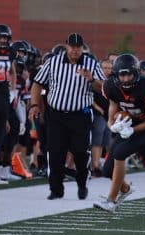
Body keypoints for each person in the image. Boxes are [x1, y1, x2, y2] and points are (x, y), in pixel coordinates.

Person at [29, 33, 105, 200]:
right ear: (66, 47)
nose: (75, 50)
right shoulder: (53, 62)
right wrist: (34, 105)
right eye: (72, 47)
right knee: (55, 152)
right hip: (56, 115)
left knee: (81, 152)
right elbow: (37, 83)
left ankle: (82, 183)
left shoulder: (91, 64)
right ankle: (56, 189)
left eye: (78, 47)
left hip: (80, 115)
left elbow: (103, 89)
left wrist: (91, 79)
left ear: (82, 48)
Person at [93, 53, 145, 212]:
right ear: (116, 75)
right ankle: (125, 189)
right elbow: (111, 115)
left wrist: (133, 130)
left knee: (120, 153)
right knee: (107, 170)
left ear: (136, 73)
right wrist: (113, 126)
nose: (125, 79)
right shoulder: (111, 86)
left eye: (129, 74)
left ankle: (111, 201)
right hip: (126, 126)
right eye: (122, 75)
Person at [0, 24, 17, 184]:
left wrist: (13, 92)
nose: (2, 40)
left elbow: (12, 72)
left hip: (3, 95)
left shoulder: (11, 53)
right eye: (0, 37)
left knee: (0, 133)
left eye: (5, 37)